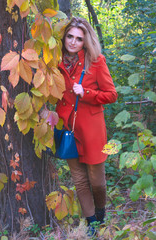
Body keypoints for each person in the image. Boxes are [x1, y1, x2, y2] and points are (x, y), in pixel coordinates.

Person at [56, 17, 118, 235]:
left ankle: (101, 213)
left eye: (78, 39)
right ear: (64, 37)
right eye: (70, 36)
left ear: (86, 41)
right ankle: (92, 223)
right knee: (80, 180)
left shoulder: (96, 61)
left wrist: (87, 93)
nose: (73, 42)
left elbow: (112, 95)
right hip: (68, 129)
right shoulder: (56, 62)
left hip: (92, 130)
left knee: (96, 180)